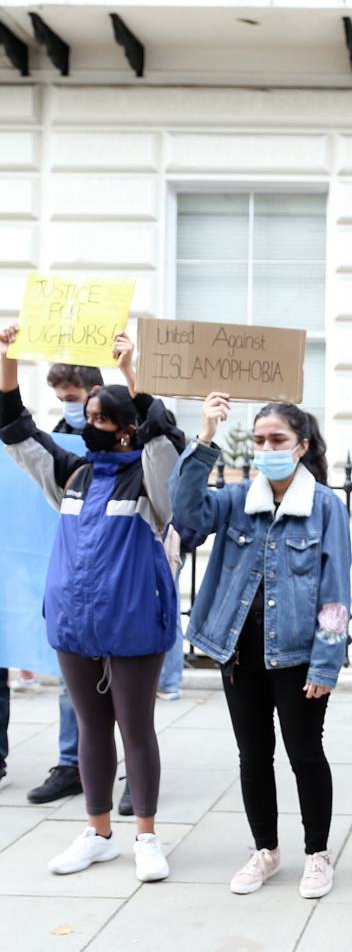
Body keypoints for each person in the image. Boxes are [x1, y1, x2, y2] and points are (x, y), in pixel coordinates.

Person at [0, 325, 183, 881]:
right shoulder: (72, 475)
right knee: (89, 727)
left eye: (102, 419)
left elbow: (164, 437)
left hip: (133, 626)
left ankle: (146, 838)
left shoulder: (152, 480)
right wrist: (6, 361)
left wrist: (133, 372)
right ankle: (98, 832)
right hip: (75, 626)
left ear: (126, 431)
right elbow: (19, 432)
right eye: (89, 417)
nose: (89, 426)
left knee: (135, 726)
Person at [169, 397, 351, 900]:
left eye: (278, 440)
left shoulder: (325, 507)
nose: (266, 449)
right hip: (238, 655)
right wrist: (205, 437)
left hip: (298, 659)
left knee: (305, 756)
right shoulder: (232, 500)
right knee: (253, 756)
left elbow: (335, 594)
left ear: (302, 447)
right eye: (259, 440)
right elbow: (185, 512)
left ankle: (318, 854)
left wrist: (326, 664)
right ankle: (265, 850)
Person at [24, 362, 103, 806]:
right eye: (62, 399)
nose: (68, 409)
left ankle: (133, 774)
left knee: (130, 691)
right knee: (70, 682)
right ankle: (72, 765)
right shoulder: (58, 441)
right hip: (72, 574)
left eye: (73, 399)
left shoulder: (124, 436)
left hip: (117, 583)